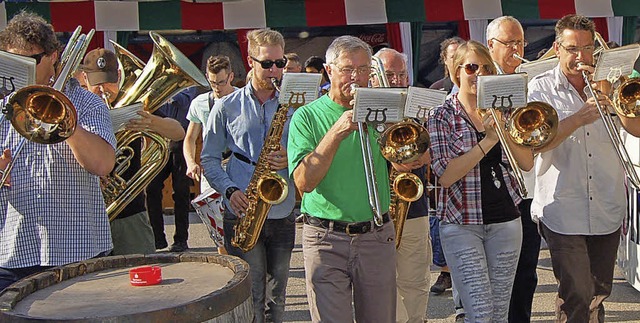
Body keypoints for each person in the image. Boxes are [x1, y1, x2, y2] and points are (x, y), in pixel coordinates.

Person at [528, 14, 640, 322]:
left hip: (606, 203)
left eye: (588, 48)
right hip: (563, 206)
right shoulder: (540, 89)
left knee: (598, 291)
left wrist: (614, 99)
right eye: (573, 48)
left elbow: (636, 128)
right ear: (557, 48)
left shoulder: (611, 83)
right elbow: (537, 143)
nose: (581, 57)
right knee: (576, 291)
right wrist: (578, 118)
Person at [0, 12, 116, 291]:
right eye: (11, 61)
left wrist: (65, 121)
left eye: (30, 60)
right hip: (13, 253)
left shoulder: (87, 104)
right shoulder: (3, 107)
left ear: (53, 57)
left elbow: (103, 164)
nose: (21, 69)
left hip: (76, 251)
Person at [288, 35, 395, 322]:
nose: (357, 77)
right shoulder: (306, 117)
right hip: (326, 238)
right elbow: (304, 183)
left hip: (375, 234)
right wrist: (336, 132)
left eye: (364, 69)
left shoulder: (380, 111)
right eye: (348, 69)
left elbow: (410, 161)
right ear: (329, 70)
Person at [427, 40, 534, 322]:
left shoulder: (503, 110)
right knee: (480, 313)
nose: (479, 74)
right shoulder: (442, 115)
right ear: (456, 72)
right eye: (472, 67)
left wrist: (504, 126)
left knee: (499, 314)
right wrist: (488, 140)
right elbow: (447, 175)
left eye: (486, 68)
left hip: (506, 220)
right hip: (462, 223)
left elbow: (526, 162)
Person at [201, 29, 296, 323]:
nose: (275, 71)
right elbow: (209, 158)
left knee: (277, 297)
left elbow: (313, 151)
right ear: (250, 60)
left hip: (282, 208)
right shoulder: (226, 106)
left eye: (280, 64)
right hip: (242, 205)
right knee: (251, 294)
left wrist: (291, 158)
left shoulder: (295, 104)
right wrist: (230, 190)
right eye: (267, 64)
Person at [80, 48, 186, 256]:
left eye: (109, 81)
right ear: (85, 77)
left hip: (130, 213)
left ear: (118, 76)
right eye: (97, 82)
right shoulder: (75, 107)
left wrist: (152, 121)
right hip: (86, 214)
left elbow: (178, 132)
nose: (103, 89)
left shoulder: (130, 103)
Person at [486, 15, 541, 323]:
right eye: (509, 43)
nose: (517, 49)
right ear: (491, 46)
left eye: (520, 42)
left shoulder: (533, 82)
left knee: (525, 274)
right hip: (492, 193)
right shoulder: (473, 80)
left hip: (527, 191)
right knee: (492, 277)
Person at [371, 48, 432, 323]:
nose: (395, 81)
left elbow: (434, 149)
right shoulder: (364, 107)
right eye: (389, 74)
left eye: (400, 74)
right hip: (373, 210)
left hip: (413, 206)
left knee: (416, 281)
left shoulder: (418, 104)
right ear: (374, 77)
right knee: (381, 284)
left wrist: (420, 155)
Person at [428, 36, 464, 302]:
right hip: (440, 167)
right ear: (444, 59)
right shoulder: (437, 89)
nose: (457, 61)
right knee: (439, 220)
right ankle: (444, 269)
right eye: (452, 56)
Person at [146, 86, 196, 252]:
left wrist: (163, 94)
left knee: (181, 191)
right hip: (160, 142)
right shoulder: (158, 87)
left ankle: (181, 239)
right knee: (152, 188)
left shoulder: (190, 88)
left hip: (181, 142)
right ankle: (158, 238)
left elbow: (180, 102)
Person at [184, 55, 236, 192]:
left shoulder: (243, 98)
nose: (217, 88)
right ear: (207, 77)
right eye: (213, 83)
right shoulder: (198, 103)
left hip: (238, 165)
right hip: (212, 166)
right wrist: (190, 163)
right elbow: (190, 138)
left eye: (221, 82)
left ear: (231, 77)